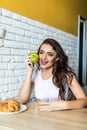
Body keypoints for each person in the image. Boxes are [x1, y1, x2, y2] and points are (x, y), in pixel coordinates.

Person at [18, 38, 87, 111]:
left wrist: (65, 104)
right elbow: (22, 101)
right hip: (41, 116)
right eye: (41, 52)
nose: (43, 57)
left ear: (57, 58)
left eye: (50, 54)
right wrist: (29, 71)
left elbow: (84, 101)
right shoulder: (35, 74)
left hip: (60, 117)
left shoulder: (67, 75)